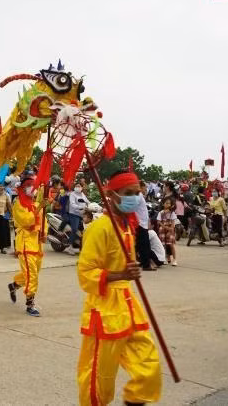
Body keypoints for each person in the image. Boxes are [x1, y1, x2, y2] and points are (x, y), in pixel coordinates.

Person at [76, 170, 161, 405]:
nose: (134, 198)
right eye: (128, 193)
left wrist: (127, 274)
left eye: (137, 193)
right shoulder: (99, 228)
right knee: (99, 377)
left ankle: (135, 400)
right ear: (112, 196)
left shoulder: (127, 226)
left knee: (148, 363)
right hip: (104, 309)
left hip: (127, 305)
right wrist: (120, 274)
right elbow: (85, 273)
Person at [7, 173, 47, 317]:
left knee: (31, 273)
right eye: (29, 186)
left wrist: (44, 232)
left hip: (36, 244)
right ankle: (30, 304)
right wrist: (39, 208)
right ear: (22, 188)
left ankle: (14, 285)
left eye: (33, 186)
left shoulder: (36, 204)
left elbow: (43, 220)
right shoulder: (18, 205)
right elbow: (26, 221)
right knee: (32, 275)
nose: (32, 189)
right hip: (25, 244)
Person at [133, 180, 158, 270]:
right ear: (140, 187)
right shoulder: (138, 196)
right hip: (140, 224)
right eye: (145, 187)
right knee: (144, 245)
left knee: (141, 245)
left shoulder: (140, 196)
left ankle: (144, 262)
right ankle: (146, 265)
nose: (146, 189)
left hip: (142, 223)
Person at [157, 198, 179, 266]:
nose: (167, 204)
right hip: (162, 230)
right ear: (163, 204)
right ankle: (166, 258)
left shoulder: (172, 213)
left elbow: (173, 223)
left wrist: (170, 230)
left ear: (171, 205)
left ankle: (175, 259)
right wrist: (164, 227)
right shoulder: (161, 213)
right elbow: (158, 222)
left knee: (171, 244)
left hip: (170, 229)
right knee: (163, 245)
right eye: (166, 203)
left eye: (169, 203)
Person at [0, 183, 12, 254]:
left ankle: (2, 248)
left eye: (3, 186)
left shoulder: (6, 195)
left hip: (2, 215)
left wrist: (11, 215)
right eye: (0, 186)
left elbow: (9, 205)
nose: (2, 187)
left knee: (2, 232)